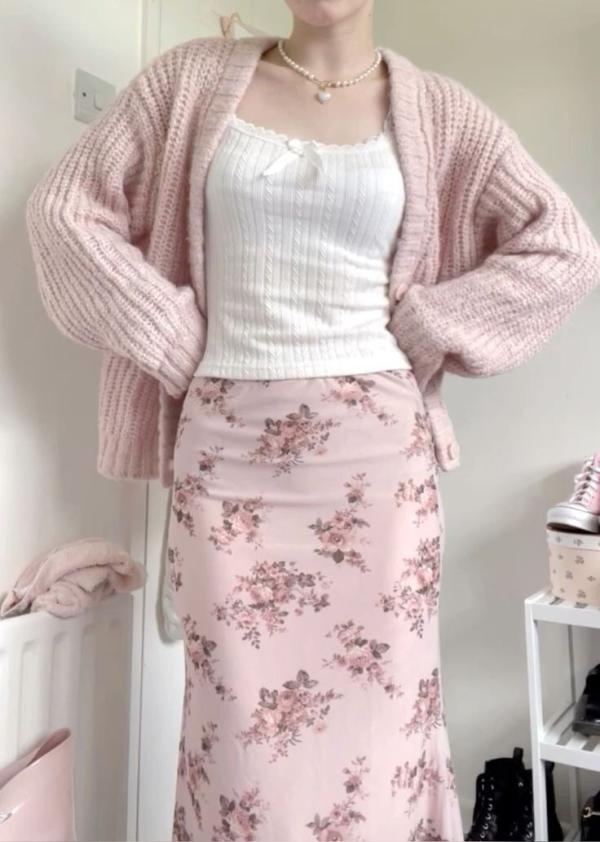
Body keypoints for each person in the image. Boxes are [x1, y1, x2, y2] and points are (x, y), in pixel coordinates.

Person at [25, 2, 600, 840]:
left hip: (378, 467)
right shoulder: (188, 80)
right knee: (239, 742)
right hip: (228, 462)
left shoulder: (439, 110)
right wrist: (170, 332)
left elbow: (564, 247)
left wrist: (431, 323)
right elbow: (63, 212)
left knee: (383, 728)